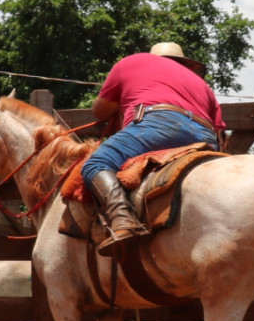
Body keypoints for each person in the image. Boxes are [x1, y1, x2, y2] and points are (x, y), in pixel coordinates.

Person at [82, 42, 224, 257]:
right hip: (205, 136)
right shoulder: (202, 84)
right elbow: (220, 131)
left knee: (96, 163)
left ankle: (122, 220)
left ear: (153, 56)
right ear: (185, 63)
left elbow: (99, 111)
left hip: (157, 125)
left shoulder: (134, 61)